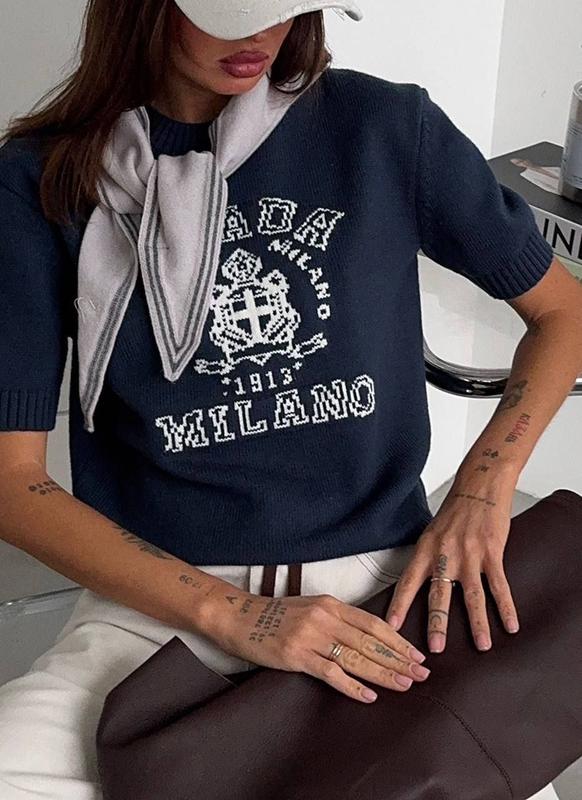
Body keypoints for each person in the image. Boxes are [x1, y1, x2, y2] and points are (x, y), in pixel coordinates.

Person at [0, 1, 579, 798]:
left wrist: (483, 489)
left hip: (384, 590)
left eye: (284, 5)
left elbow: (563, 313)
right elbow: (11, 481)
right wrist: (235, 615)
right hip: (158, 609)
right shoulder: (42, 180)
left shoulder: (381, 128)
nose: (260, 35)